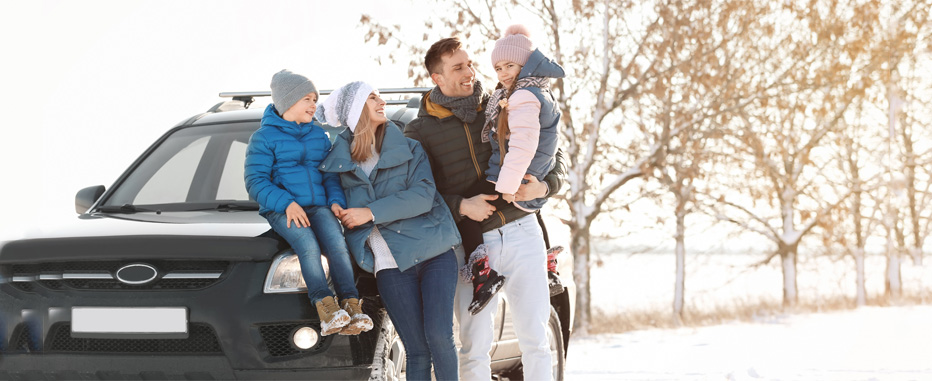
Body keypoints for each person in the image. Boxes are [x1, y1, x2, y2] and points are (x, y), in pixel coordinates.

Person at [403, 34, 567, 380]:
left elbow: (552, 149)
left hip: (524, 230)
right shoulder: (419, 131)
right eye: (458, 67)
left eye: (470, 64)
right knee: (474, 348)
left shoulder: (502, 102)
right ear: (438, 78)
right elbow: (416, 194)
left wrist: (546, 184)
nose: (470, 72)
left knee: (536, 340)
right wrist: (461, 206)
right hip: (472, 247)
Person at [319, 81, 461, 381]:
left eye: (380, 97)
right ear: (355, 110)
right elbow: (328, 198)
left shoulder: (410, 148)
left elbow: (423, 196)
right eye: (372, 98)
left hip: (433, 254)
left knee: (439, 337)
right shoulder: (337, 164)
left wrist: (369, 213)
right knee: (416, 349)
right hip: (389, 266)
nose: (381, 102)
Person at [244, 70, 373, 336]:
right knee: (308, 245)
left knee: (338, 245)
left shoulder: (319, 136)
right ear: (287, 101)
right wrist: (286, 203)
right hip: (284, 208)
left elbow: (329, 175)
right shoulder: (264, 138)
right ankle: (325, 307)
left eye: (315, 99)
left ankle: (351, 305)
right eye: (307, 99)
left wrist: (335, 201)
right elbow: (256, 181)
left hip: (319, 206)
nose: (314, 105)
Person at [457, 24, 566, 316]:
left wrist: (506, 184)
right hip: (528, 173)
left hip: (515, 175)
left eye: (510, 65)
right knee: (534, 209)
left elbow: (523, 145)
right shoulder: (532, 90)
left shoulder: (523, 96)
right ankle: (547, 264)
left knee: (466, 206)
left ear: (525, 64)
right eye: (498, 67)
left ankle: (482, 274)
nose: (503, 73)